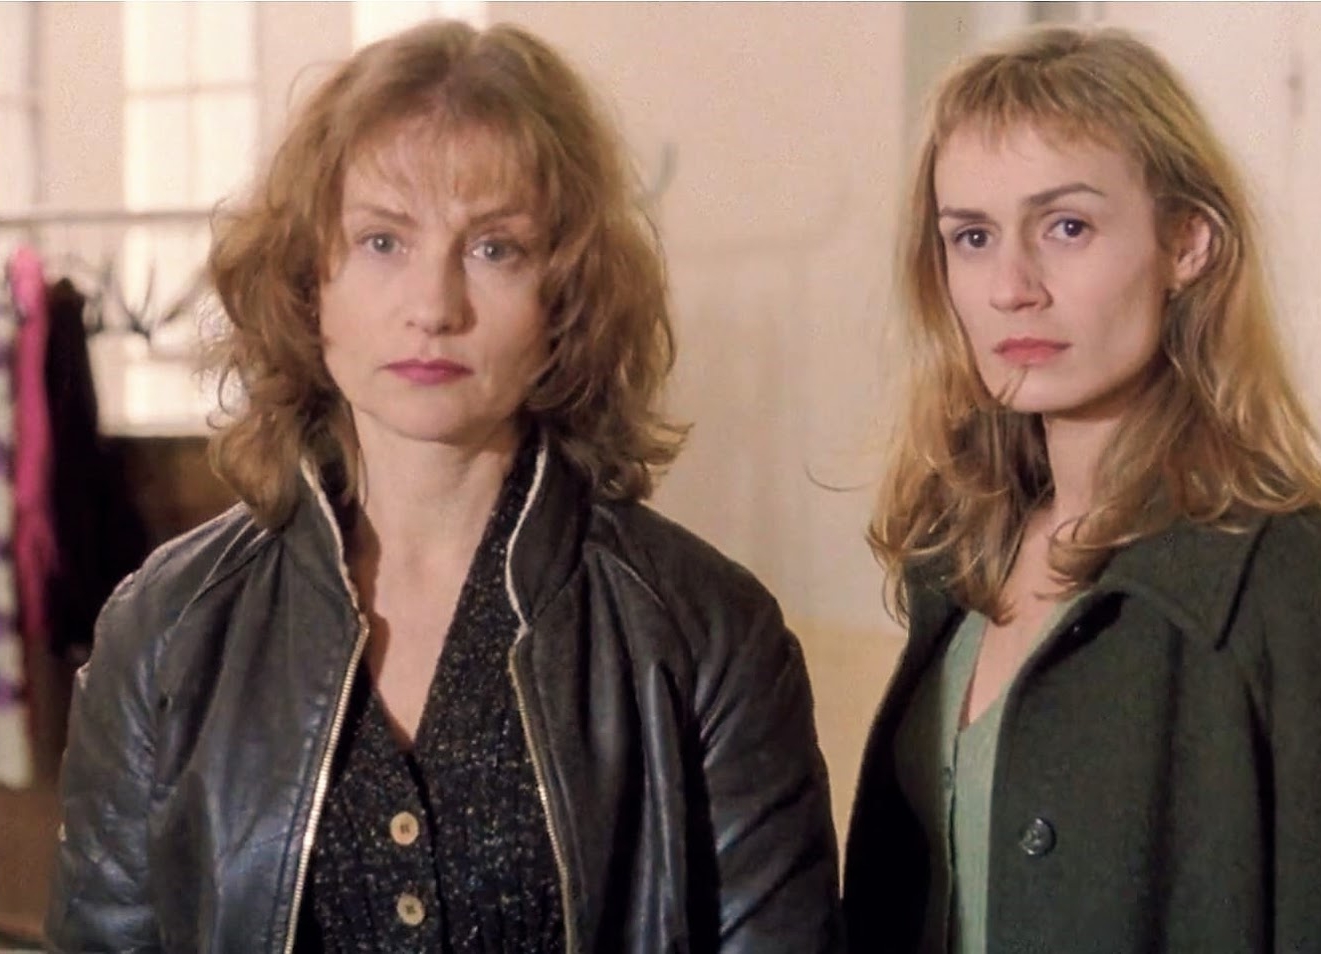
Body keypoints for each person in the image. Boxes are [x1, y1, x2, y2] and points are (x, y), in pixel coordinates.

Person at [47, 20, 842, 953]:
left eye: (493, 249)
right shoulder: (163, 631)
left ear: (566, 296)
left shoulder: (708, 637)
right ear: (309, 280)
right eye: (383, 240)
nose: (433, 306)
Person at [843, 25, 1321, 954]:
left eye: (1066, 227)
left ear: (1187, 243)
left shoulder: (1291, 581)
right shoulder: (960, 561)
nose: (1012, 286)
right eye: (972, 237)